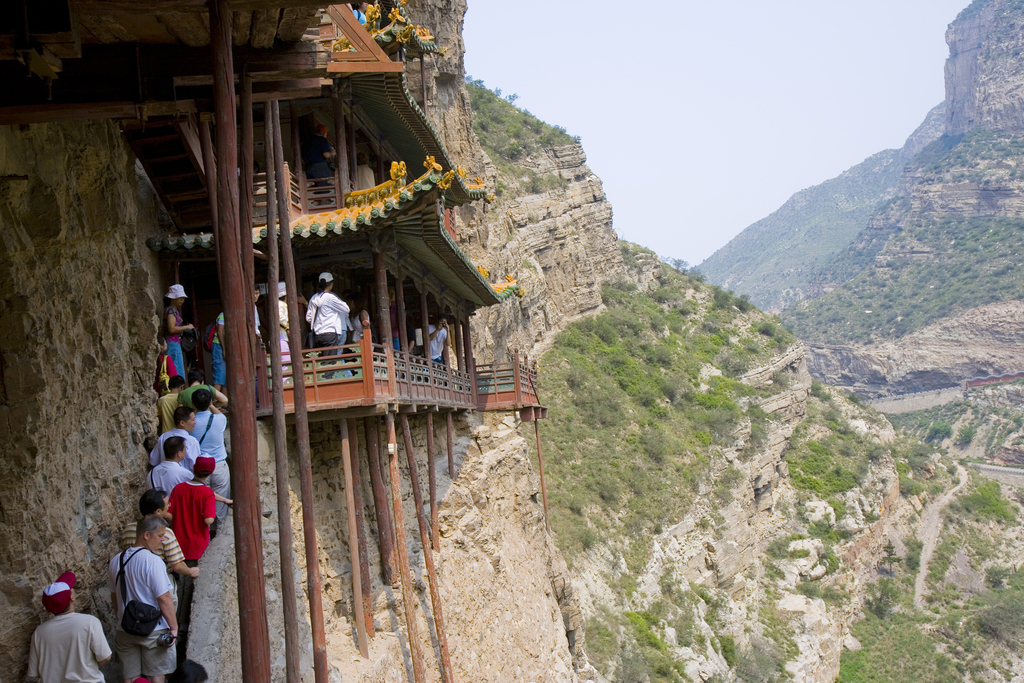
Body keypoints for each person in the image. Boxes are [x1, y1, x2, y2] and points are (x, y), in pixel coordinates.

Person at [107, 515, 178, 683]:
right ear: (146, 535)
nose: (162, 541)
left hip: (124, 628)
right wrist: (173, 628)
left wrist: (120, 616)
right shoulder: (153, 561)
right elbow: (164, 598)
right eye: (160, 536)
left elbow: (114, 595)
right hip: (153, 629)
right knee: (156, 676)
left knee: (131, 679)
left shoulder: (116, 560)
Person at [120, 490, 199, 609]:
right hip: (158, 582)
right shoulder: (165, 534)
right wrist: (190, 571)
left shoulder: (128, 529)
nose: (169, 506)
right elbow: (177, 566)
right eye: (167, 504)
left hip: (132, 580)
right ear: (158, 511)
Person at [27, 571, 112, 683]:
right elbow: (105, 657)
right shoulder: (89, 622)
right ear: (71, 597)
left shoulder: (39, 632)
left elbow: (33, 674)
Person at [188, 390, 230, 524]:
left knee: (201, 502)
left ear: (193, 404)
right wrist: (211, 406)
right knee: (221, 503)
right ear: (210, 402)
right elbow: (219, 414)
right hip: (219, 466)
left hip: (199, 468)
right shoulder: (220, 419)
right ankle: (220, 532)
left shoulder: (191, 424)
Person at [306, 272, 350, 356]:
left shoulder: (314, 297)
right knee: (330, 361)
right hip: (329, 333)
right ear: (331, 284)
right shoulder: (330, 297)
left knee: (322, 360)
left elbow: (308, 318)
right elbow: (346, 309)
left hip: (317, 334)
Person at [149, 407, 200, 472]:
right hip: (185, 479)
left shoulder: (163, 437)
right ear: (182, 423)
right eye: (193, 419)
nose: (195, 422)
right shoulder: (192, 441)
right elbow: (196, 466)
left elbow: (153, 460)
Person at [164, 285, 194, 378]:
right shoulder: (171, 311)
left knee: (177, 372)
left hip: (175, 343)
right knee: (176, 374)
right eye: (180, 298)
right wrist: (186, 327)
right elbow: (171, 329)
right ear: (173, 298)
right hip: (172, 343)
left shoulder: (173, 310)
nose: (182, 300)